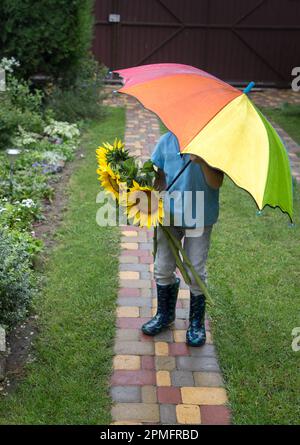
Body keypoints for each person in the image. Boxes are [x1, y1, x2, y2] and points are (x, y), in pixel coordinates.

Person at [141, 131, 224, 346]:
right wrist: (151, 193)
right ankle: (165, 315)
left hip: (200, 215)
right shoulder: (166, 141)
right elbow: (159, 177)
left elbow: (216, 183)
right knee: (162, 266)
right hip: (169, 215)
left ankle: (196, 323)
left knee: (195, 269)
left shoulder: (210, 143)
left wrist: (203, 161)